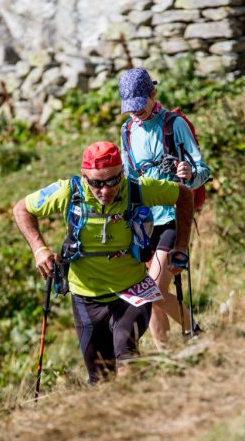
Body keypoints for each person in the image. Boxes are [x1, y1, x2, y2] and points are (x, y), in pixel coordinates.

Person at [13, 141, 194, 383]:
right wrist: (39, 249)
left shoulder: (137, 188)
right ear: (83, 176)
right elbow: (21, 209)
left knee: (125, 348)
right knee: (100, 378)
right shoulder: (69, 192)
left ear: (122, 172)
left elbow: (184, 194)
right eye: (96, 183)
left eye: (112, 180)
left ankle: (140, 405)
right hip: (85, 298)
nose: (105, 190)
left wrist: (181, 245)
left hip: (132, 292)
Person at [118, 67, 211, 350]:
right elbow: (127, 176)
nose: (135, 113)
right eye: (129, 108)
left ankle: (195, 332)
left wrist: (189, 172)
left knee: (153, 287)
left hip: (172, 215)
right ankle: (166, 353)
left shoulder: (174, 124)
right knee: (149, 291)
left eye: (139, 105)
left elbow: (202, 170)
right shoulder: (127, 131)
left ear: (153, 95)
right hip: (143, 220)